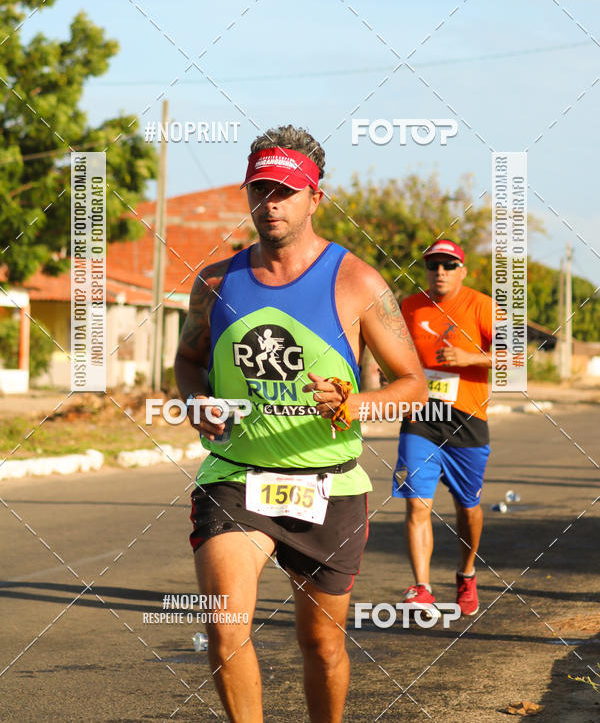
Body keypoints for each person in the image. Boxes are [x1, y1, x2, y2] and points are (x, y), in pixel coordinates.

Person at [175, 125, 427, 723]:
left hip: (329, 484)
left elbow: (413, 386)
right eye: (260, 190)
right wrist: (195, 403)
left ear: (316, 196)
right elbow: (188, 362)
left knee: (321, 644)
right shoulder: (215, 283)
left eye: (285, 192)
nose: (271, 204)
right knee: (225, 627)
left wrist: (355, 404)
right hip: (235, 477)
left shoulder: (356, 282)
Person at [393, 239, 493, 618]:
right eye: (434, 265)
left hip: (468, 419)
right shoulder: (410, 306)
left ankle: (467, 573)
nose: (440, 272)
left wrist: (470, 357)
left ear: (463, 271)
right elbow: (395, 352)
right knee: (418, 503)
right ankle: (422, 587)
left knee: (468, 508)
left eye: (449, 266)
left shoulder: (481, 305)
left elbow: (516, 358)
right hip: (421, 418)